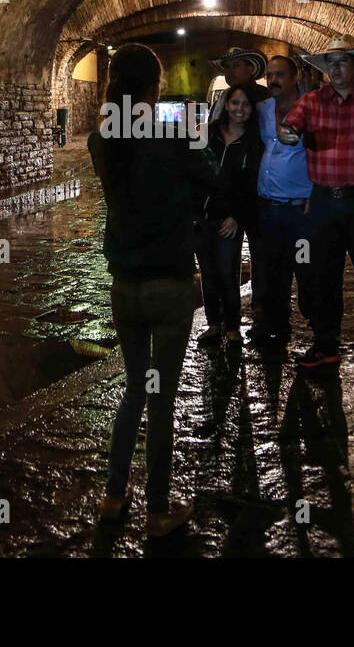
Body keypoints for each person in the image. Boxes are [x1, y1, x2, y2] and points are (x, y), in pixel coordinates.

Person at [88, 43, 217, 536]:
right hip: (168, 282)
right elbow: (214, 182)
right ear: (153, 87)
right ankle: (158, 510)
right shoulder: (174, 136)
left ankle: (113, 496)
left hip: (125, 285)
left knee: (134, 390)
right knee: (160, 399)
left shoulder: (103, 140)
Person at [277, 35, 354, 376]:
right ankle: (325, 345)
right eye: (330, 62)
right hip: (323, 202)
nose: (335, 68)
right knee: (324, 277)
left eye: (342, 61)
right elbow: (289, 129)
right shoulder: (312, 102)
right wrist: (288, 134)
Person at [251, 55, 314, 360]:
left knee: (307, 270)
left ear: (295, 77)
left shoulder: (313, 107)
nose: (273, 80)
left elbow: (323, 150)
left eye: (280, 75)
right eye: (270, 76)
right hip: (269, 205)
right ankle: (275, 325)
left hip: (301, 207)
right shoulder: (263, 110)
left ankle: (319, 332)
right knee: (271, 269)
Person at [193, 84, 262, 347]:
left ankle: (232, 327)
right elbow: (193, 172)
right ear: (226, 105)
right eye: (235, 103)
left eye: (245, 104)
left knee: (226, 272)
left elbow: (251, 185)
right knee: (207, 275)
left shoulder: (253, 142)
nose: (240, 109)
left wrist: (237, 217)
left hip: (229, 221)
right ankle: (214, 324)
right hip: (202, 218)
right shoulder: (209, 134)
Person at [206, 46, 270, 122]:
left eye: (236, 65)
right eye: (227, 66)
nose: (230, 71)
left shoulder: (266, 98)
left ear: (250, 68)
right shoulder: (221, 101)